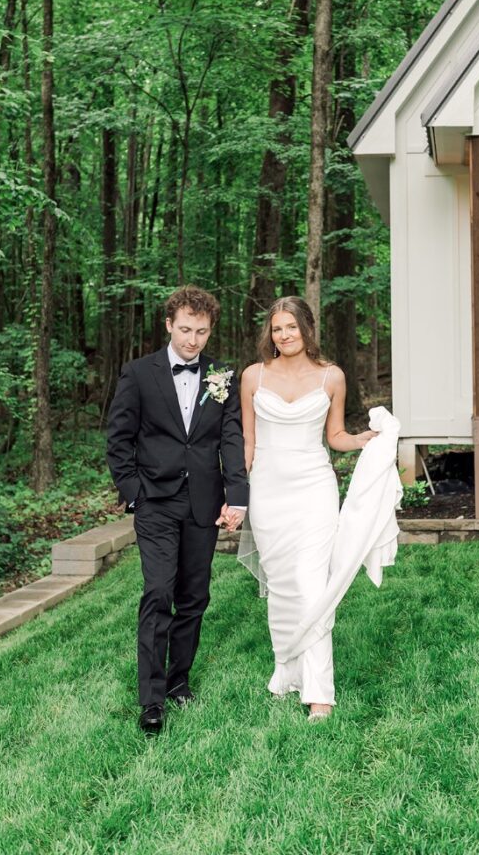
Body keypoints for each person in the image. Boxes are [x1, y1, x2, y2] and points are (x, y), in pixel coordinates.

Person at [107, 285, 248, 734]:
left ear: (210, 330)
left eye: (201, 331)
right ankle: (150, 699)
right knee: (158, 592)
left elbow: (231, 439)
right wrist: (134, 494)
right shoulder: (138, 374)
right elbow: (119, 440)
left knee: (194, 597)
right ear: (169, 324)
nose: (192, 340)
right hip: (156, 503)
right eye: (185, 329)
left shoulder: (221, 375)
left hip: (204, 502)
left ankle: (178, 682)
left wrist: (238, 495)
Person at [237, 296, 376, 722]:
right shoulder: (252, 377)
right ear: (270, 333)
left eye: (291, 328)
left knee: (312, 586)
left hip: (314, 487)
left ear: (307, 329)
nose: (284, 335)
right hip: (268, 489)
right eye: (277, 329)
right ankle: (287, 672)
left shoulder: (331, 376)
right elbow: (248, 442)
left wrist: (362, 440)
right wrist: (236, 496)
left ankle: (320, 691)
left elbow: (334, 434)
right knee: (282, 587)